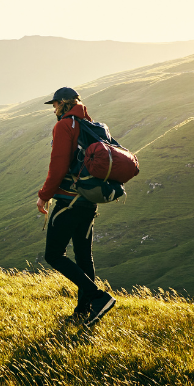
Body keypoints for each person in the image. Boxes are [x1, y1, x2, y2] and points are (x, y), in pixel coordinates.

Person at [37, 87, 116, 325]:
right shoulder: (94, 126)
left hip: (67, 201)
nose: (53, 109)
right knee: (83, 256)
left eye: (54, 105)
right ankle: (83, 311)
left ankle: (98, 297)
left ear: (62, 103)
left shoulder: (65, 125)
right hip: (89, 200)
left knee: (54, 255)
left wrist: (44, 196)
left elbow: (58, 166)